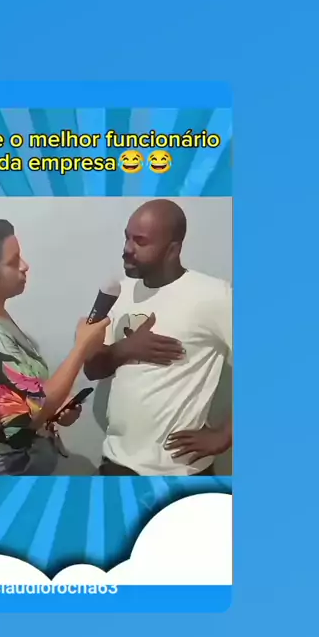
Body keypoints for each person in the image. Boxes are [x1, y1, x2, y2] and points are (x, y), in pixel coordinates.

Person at [0, 217, 108, 476]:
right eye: (13, 262)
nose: (25, 266)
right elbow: (29, 417)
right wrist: (82, 347)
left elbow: (17, 391)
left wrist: (56, 404)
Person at [84, 199, 232, 476]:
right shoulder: (120, 293)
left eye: (140, 241)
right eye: (127, 238)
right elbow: (92, 370)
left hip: (179, 470)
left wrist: (225, 435)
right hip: (116, 461)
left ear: (172, 249)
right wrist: (124, 349)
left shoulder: (213, 296)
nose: (127, 249)